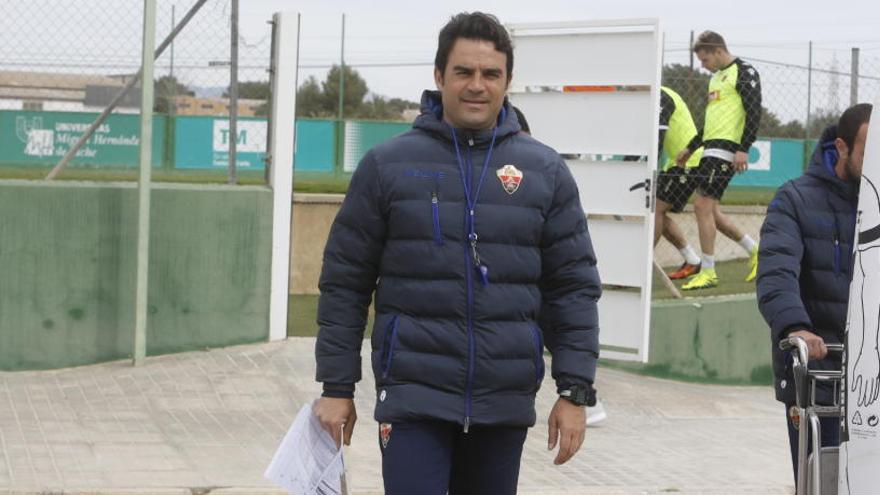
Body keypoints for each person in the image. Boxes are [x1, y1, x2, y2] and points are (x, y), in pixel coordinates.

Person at [313, 12, 602, 494]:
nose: (477, 86)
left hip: (502, 403)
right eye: (463, 72)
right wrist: (336, 387)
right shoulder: (388, 165)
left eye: (491, 74)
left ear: (508, 80)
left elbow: (572, 288)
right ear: (438, 76)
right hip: (413, 399)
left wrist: (574, 391)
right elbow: (345, 282)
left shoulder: (544, 171)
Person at [756, 103, 872, 484]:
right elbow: (776, 273)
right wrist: (796, 326)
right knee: (821, 479)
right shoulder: (795, 200)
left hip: (869, 373)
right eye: (869, 150)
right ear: (841, 147)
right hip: (822, 371)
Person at [513, 104, 607, 427]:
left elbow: (577, 282)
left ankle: (584, 395)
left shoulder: (546, 173)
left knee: (558, 313)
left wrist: (576, 388)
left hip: (542, 280)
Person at [676, 30, 762, 290]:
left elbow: (754, 110)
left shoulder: (744, 72)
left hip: (727, 150)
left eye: (705, 60)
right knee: (711, 210)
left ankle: (709, 271)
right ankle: (756, 250)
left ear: (718, 51)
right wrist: (691, 148)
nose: (704, 65)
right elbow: (711, 122)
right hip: (709, 150)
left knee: (702, 205)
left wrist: (744, 148)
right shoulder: (715, 79)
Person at [655, 86, 704, 280]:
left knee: (656, 209)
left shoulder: (662, 96)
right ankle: (692, 260)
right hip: (674, 164)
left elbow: (657, 139)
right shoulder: (650, 97)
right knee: (657, 212)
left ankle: (641, 264)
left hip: (688, 162)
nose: (629, 88)